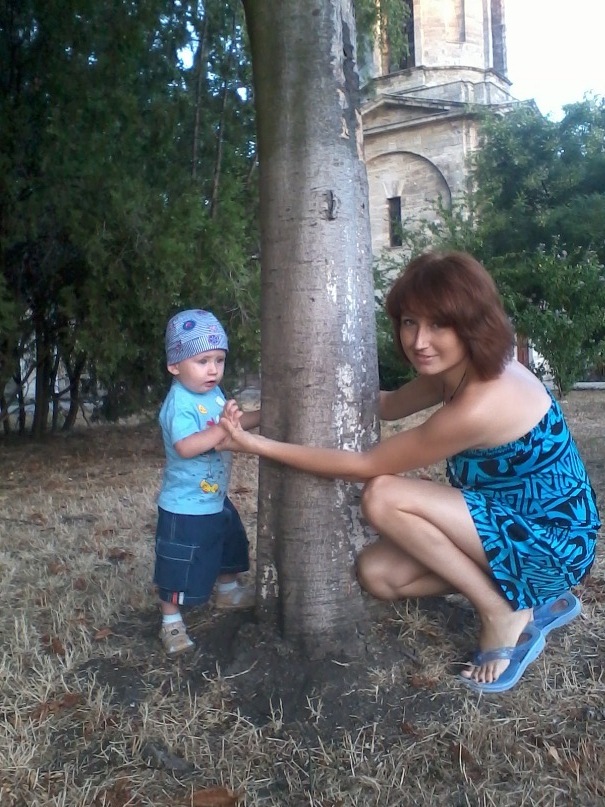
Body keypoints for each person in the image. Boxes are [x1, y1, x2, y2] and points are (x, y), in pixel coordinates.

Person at [218, 251, 600, 692]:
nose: (419, 341)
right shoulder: (457, 370)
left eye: (439, 325)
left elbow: (365, 467)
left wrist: (257, 446)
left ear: (472, 324)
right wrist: (256, 418)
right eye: (409, 322)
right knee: (378, 574)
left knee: (382, 496)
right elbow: (385, 405)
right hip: (507, 522)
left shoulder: (481, 402)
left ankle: (501, 610)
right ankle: (530, 597)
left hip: (554, 543)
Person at [154, 309, 260, 656]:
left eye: (219, 360)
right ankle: (171, 621)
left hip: (214, 497)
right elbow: (186, 446)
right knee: (177, 562)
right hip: (184, 506)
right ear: (175, 365)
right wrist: (223, 429)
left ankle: (227, 591)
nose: (213, 370)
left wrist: (262, 415)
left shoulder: (211, 394)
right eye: (202, 361)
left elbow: (232, 424)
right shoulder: (179, 402)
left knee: (230, 543)